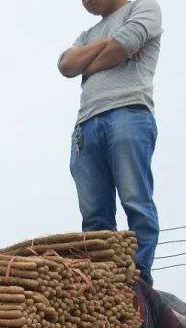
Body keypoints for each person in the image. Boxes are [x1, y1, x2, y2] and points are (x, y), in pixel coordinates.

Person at [58, 0, 163, 285]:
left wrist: (89, 62)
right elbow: (66, 64)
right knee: (94, 217)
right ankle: (104, 283)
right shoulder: (88, 32)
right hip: (85, 126)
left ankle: (138, 280)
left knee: (136, 202)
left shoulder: (144, 7)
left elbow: (124, 45)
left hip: (129, 113)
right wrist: (112, 47)